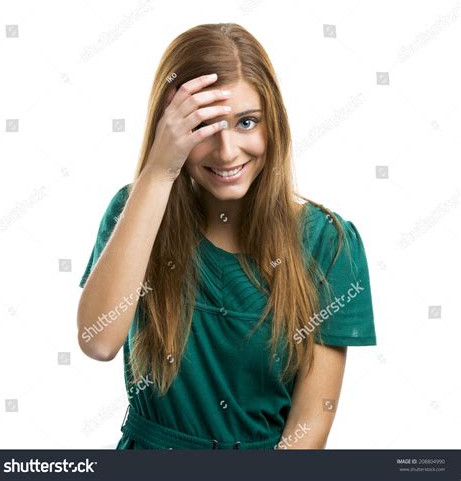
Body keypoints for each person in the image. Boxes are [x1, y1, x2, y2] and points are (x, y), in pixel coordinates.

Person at [77, 23, 377, 450]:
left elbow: (310, 427)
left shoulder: (328, 243)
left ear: (273, 124)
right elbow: (98, 341)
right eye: (204, 126)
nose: (227, 151)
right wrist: (159, 170)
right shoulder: (136, 210)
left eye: (246, 122)